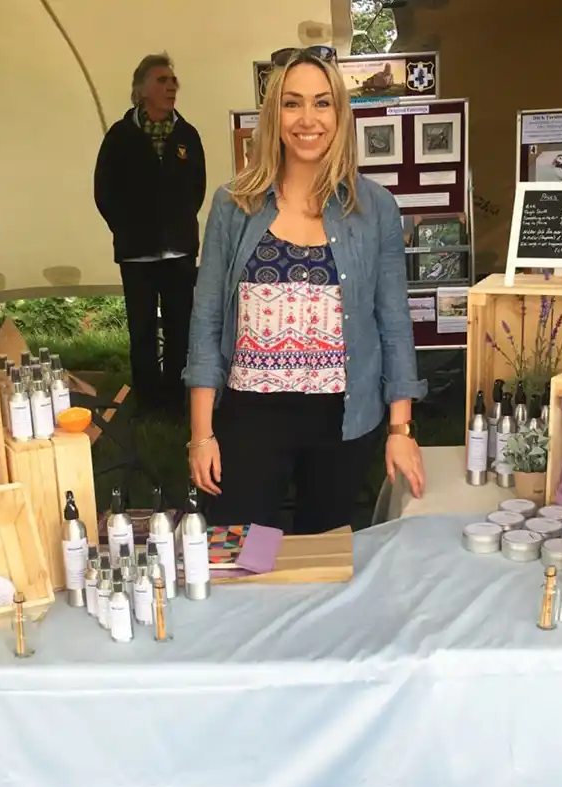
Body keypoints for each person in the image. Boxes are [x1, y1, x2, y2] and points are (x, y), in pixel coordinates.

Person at [183, 46, 426, 534]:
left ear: (340, 114)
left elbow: (394, 322)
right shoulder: (234, 204)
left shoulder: (374, 207)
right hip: (250, 417)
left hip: (343, 418)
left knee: (325, 554)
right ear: (274, 115)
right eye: (292, 103)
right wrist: (201, 434)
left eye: (322, 103)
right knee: (243, 555)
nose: (307, 119)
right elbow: (206, 320)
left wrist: (400, 429)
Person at [94, 53, 206, 414]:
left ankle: (174, 402)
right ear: (141, 90)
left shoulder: (187, 135)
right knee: (141, 331)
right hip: (136, 252)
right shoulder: (120, 136)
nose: (171, 86)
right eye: (161, 80)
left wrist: (179, 224)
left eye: (173, 81)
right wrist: (127, 228)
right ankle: (147, 402)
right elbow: (104, 191)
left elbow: (197, 188)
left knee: (179, 328)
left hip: (179, 252)